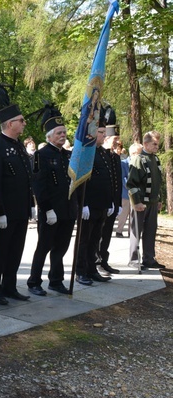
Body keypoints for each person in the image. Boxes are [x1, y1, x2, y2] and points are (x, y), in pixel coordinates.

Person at [0, 99, 34, 305]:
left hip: (20, 209)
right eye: (21, 120)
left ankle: (9, 287)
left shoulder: (19, 147)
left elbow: (27, 179)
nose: (24, 124)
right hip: (5, 211)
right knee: (0, 251)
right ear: (10, 123)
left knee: (16, 250)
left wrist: (31, 204)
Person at [26, 106, 76, 296]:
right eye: (59, 133)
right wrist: (47, 209)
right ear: (49, 136)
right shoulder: (41, 155)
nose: (63, 135)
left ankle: (55, 280)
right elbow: (39, 186)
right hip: (51, 211)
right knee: (44, 247)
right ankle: (34, 281)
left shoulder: (67, 155)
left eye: (64, 132)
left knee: (61, 248)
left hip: (68, 210)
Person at [75, 116, 115, 286]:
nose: (103, 136)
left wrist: (111, 202)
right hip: (89, 204)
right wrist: (83, 204)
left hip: (102, 204)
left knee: (95, 240)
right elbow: (80, 180)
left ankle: (92, 269)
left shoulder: (103, 153)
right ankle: (81, 271)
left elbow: (109, 180)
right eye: (100, 132)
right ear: (92, 132)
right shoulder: (86, 151)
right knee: (84, 240)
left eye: (104, 133)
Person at [127, 131, 165, 270]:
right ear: (146, 143)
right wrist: (136, 202)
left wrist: (158, 199)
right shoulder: (139, 159)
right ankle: (134, 260)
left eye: (157, 143)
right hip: (141, 203)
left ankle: (149, 259)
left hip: (153, 203)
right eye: (154, 144)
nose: (157, 146)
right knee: (136, 231)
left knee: (150, 231)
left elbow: (157, 182)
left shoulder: (155, 159)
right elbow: (131, 183)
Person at [96, 132, 122, 276]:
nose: (117, 142)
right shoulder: (102, 155)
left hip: (112, 202)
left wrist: (117, 203)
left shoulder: (115, 157)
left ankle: (104, 260)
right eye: (114, 139)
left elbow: (116, 182)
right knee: (98, 233)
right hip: (102, 201)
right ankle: (97, 261)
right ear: (106, 139)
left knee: (107, 234)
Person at [116, 143, 142, 238]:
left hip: (137, 193)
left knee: (134, 213)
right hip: (125, 193)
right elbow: (122, 178)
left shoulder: (140, 163)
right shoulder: (123, 163)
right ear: (134, 153)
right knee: (124, 213)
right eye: (140, 153)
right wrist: (130, 187)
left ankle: (132, 232)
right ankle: (119, 231)